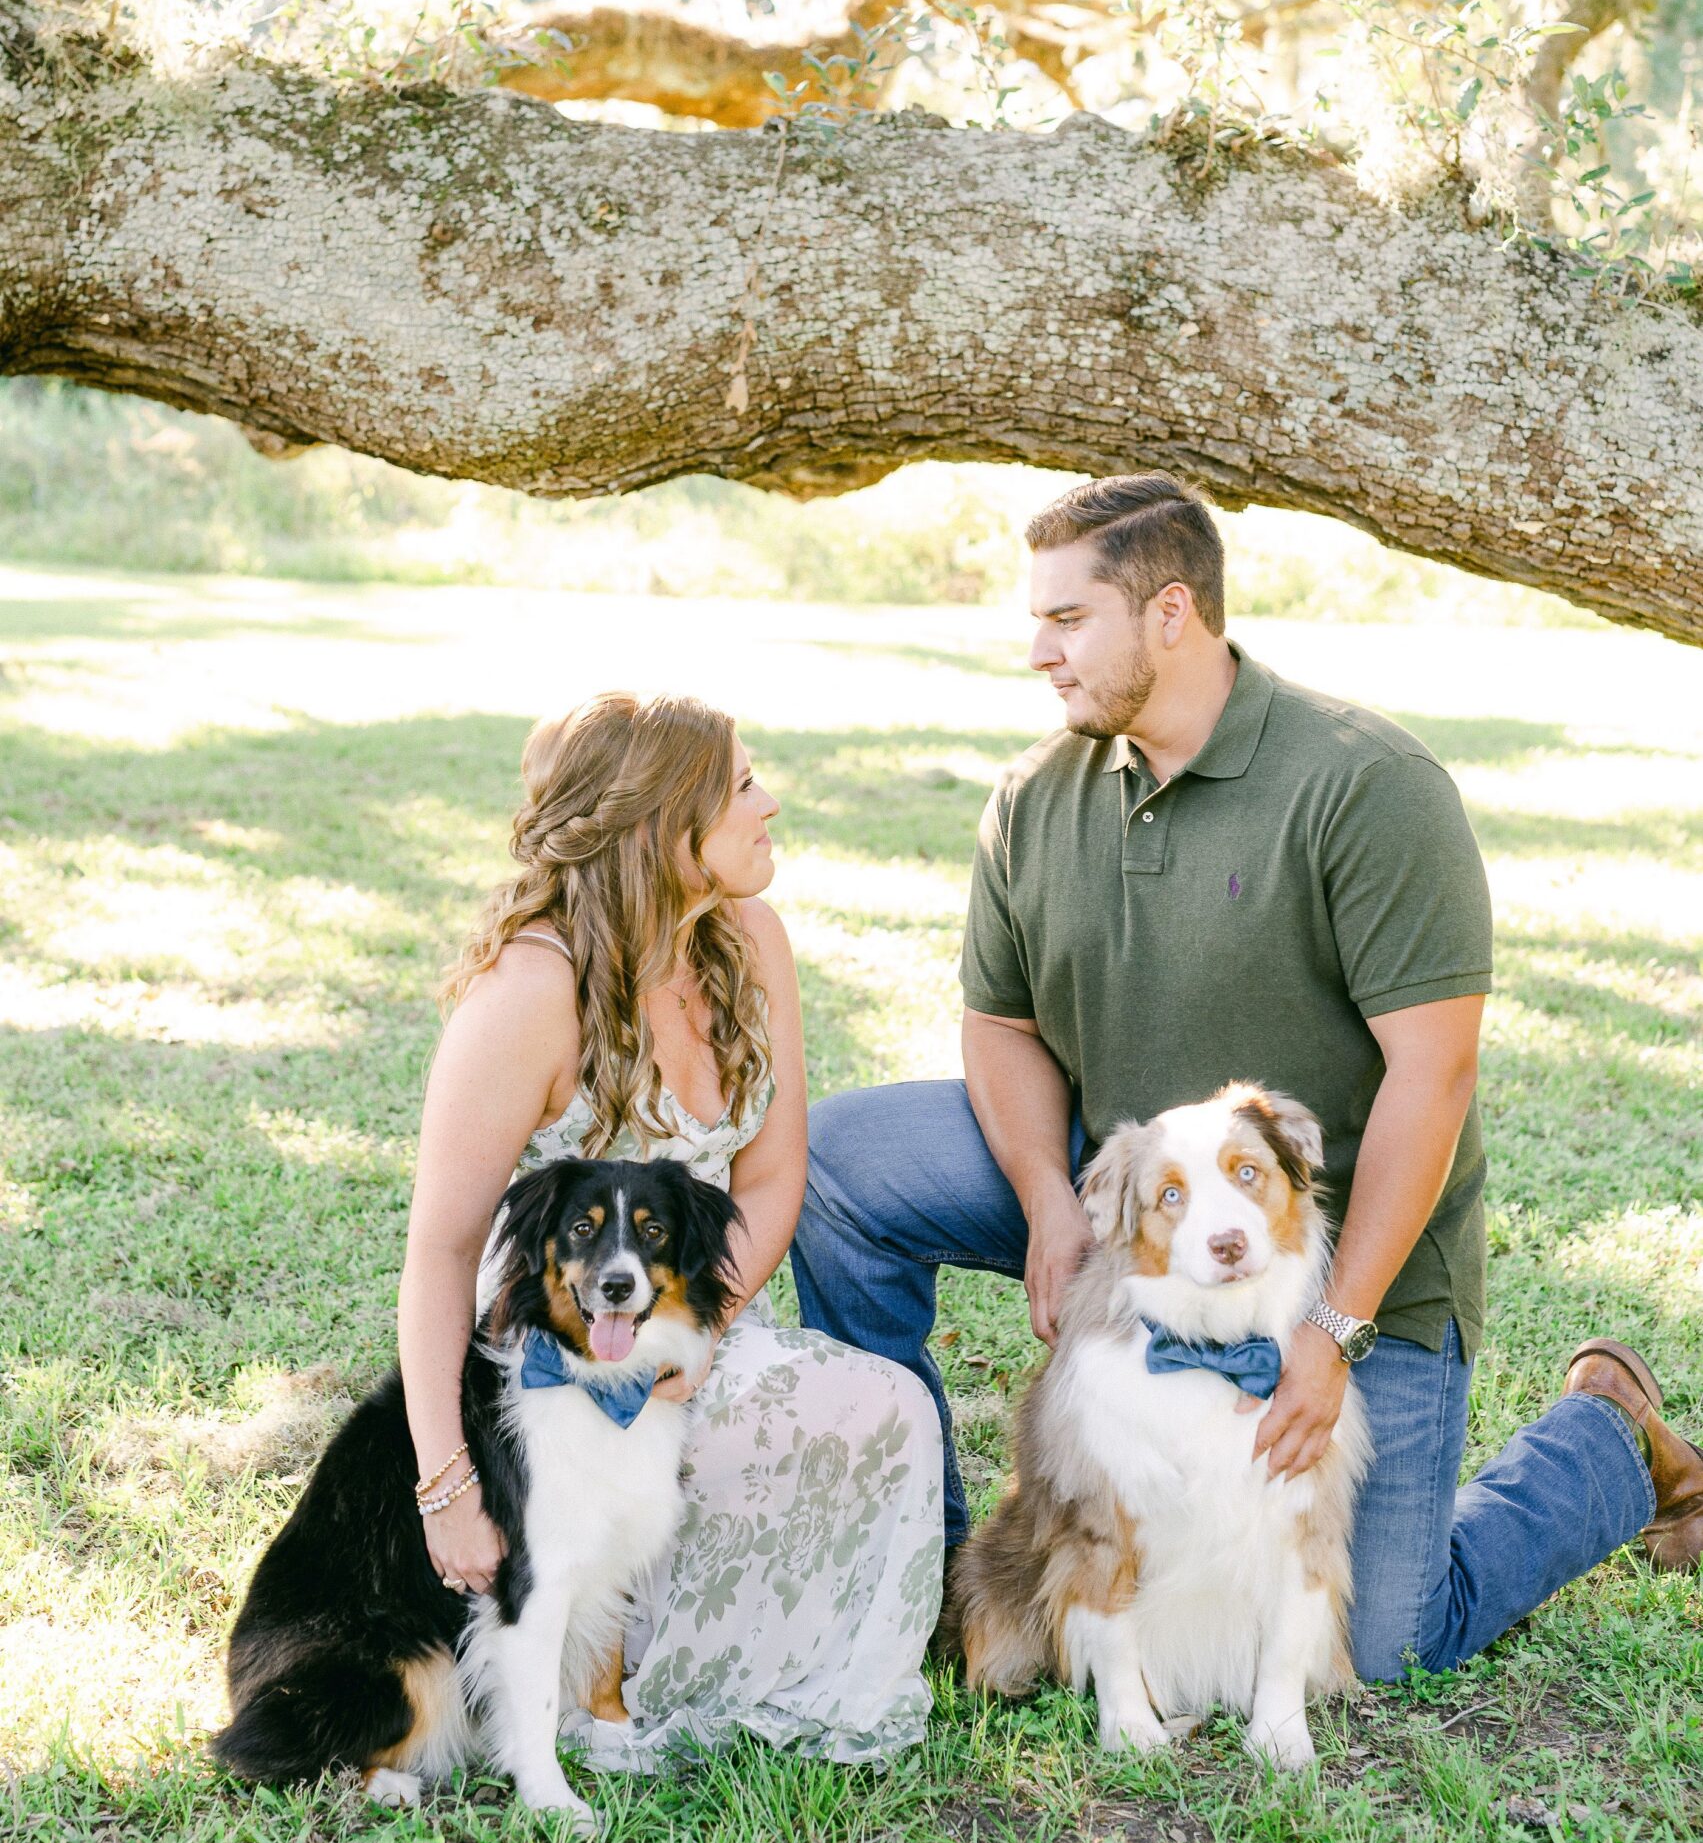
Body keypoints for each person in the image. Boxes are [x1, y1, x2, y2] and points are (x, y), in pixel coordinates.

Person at [792, 473, 1703, 1680]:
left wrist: (1328, 1331)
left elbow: (1431, 1081)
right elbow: (998, 1025)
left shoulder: (1364, 786)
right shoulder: (1032, 796)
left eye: (1067, 620)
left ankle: (1609, 1440)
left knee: (1379, 1642)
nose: (1036, 652)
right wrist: (1053, 1205)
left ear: (1170, 613)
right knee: (840, 1164)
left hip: (1338, 1252)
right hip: (1126, 1185)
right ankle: (913, 1559)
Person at [401, 690, 941, 1767]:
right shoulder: (528, 989)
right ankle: (591, 1691)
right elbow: (441, 1252)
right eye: (741, 786)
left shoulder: (749, 941)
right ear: (660, 826)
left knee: (888, 1408)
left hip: (699, 1315)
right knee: (645, 1463)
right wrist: (446, 1485)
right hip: (559, 1350)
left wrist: (712, 1329)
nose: (770, 802)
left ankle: (766, 1679)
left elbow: (775, 1167)